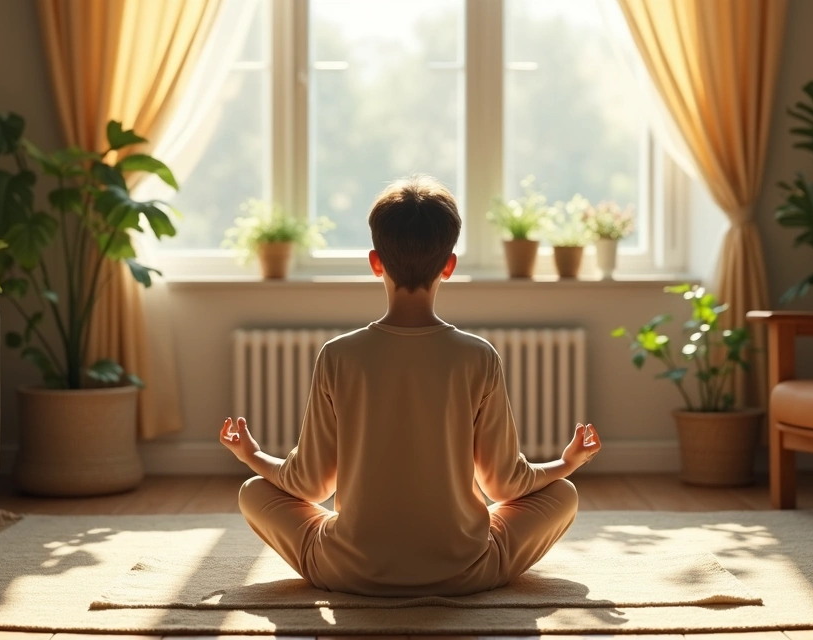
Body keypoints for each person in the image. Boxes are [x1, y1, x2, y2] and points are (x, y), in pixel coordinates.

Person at [220, 175, 601, 597]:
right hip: (466, 571)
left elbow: (311, 485)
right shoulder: (478, 357)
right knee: (562, 494)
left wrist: (250, 454)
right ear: (449, 265)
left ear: (375, 262)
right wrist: (567, 463)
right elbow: (504, 487)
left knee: (255, 491)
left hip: (347, 570)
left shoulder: (338, 355)